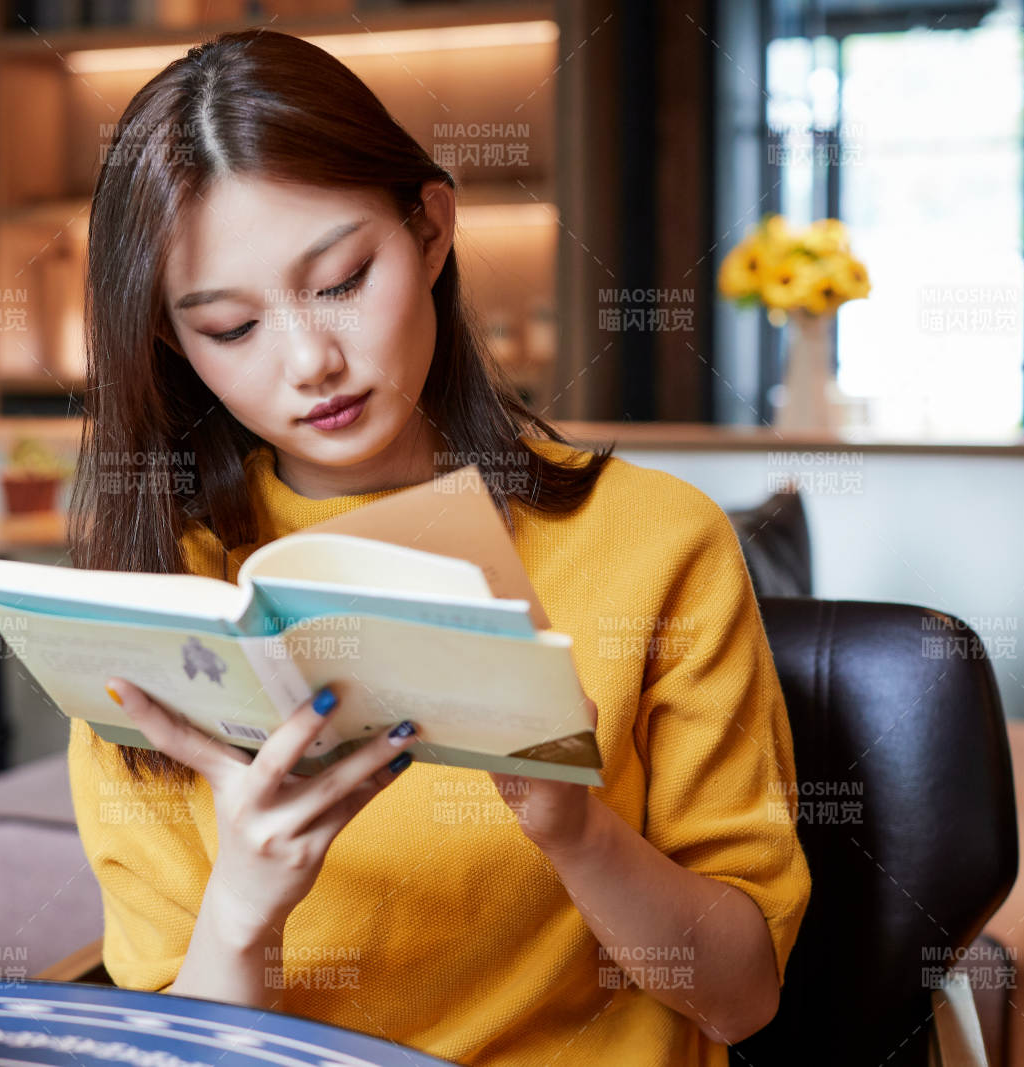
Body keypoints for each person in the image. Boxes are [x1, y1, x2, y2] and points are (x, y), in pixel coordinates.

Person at [64, 30, 810, 1066]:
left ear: (430, 228)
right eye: (231, 328)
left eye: (339, 279)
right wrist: (242, 906)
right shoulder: (158, 605)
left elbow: (739, 999)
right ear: (169, 344)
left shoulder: (654, 542)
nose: (311, 361)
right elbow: (176, 1048)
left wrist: (577, 830)